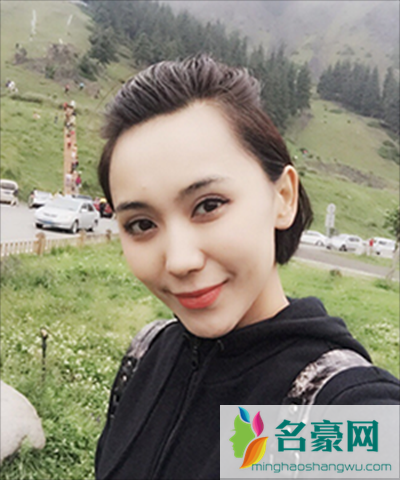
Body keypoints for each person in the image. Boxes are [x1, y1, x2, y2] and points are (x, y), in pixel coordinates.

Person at [95, 55, 400, 480]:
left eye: (208, 205)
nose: (180, 260)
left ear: (283, 198)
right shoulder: (147, 354)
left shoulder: (333, 408)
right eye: (142, 224)